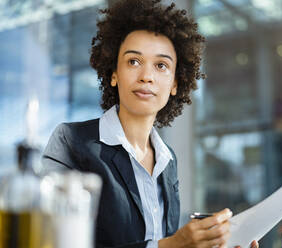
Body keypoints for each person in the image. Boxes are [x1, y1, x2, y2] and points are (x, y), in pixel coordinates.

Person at [42, 0, 259, 248]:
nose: (146, 76)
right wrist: (171, 246)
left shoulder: (168, 160)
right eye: (133, 61)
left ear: (175, 84)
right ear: (114, 73)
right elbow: (52, 241)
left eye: (161, 65)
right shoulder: (72, 141)